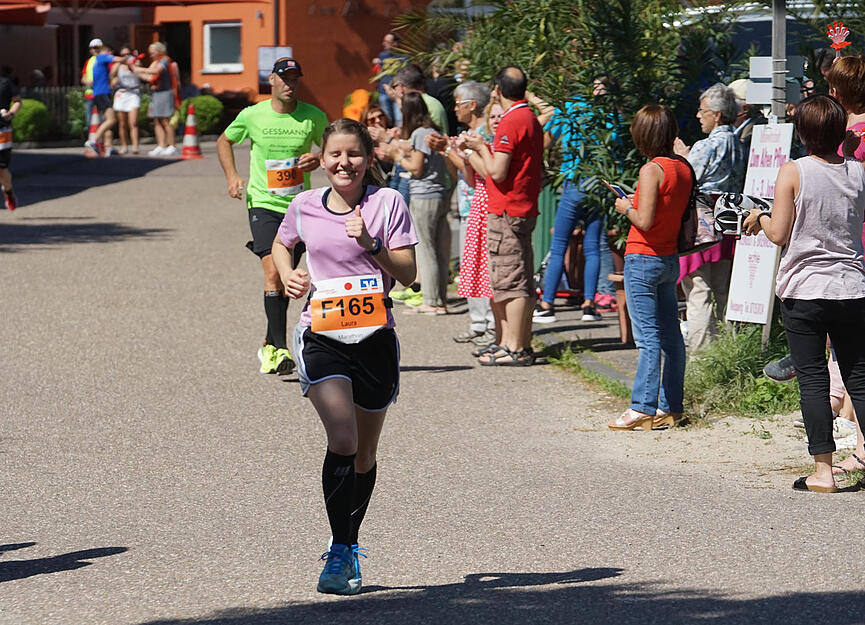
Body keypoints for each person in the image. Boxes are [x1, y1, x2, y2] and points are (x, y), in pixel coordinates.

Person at [271, 118, 417, 594]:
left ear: (368, 158)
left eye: (353, 154)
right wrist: (288, 271)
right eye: (335, 154)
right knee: (343, 436)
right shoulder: (305, 205)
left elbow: (410, 274)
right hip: (322, 336)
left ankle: (349, 544)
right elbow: (281, 242)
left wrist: (371, 244)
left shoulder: (387, 202)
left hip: (375, 339)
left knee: (365, 453)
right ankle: (339, 552)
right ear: (323, 159)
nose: (344, 163)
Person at [742, 94, 865, 493]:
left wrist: (759, 218)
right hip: (852, 287)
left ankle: (823, 473)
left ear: (803, 132)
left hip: (805, 291)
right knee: (859, 378)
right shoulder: (859, 172)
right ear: (841, 131)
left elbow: (779, 233)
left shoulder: (793, 171)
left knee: (812, 380)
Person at [217, 58, 327, 375]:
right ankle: (280, 350)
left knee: (285, 277)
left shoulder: (313, 116)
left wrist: (317, 158)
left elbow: (333, 146)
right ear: (272, 80)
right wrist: (232, 177)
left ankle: (268, 342)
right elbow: (224, 140)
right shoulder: (253, 115)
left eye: (295, 78)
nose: (290, 84)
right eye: (285, 78)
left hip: (299, 206)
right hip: (263, 203)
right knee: (272, 271)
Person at [608, 105, 689, 431]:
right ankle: (672, 406)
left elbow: (643, 220)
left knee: (647, 338)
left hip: (643, 257)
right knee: (671, 337)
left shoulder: (651, 170)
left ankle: (642, 406)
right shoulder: (681, 168)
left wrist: (625, 206)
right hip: (669, 259)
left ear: (643, 136)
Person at [459, 66, 543, 366]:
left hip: (508, 209)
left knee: (512, 279)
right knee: (509, 277)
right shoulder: (528, 117)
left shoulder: (512, 120)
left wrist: (479, 146)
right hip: (515, 206)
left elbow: (496, 171)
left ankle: (516, 347)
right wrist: (474, 153)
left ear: (497, 90)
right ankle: (510, 342)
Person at [532, 77, 616, 324]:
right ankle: (589, 305)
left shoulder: (570, 109)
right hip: (599, 182)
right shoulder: (609, 114)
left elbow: (544, 143)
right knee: (592, 248)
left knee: (559, 245)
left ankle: (547, 304)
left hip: (574, 180)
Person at [674, 83, 745, 354]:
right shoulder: (739, 144)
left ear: (716, 114)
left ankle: (702, 356)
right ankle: (725, 350)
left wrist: (683, 157)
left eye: (702, 110)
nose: (697, 115)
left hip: (702, 222)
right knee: (722, 289)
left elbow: (687, 178)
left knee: (699, 289)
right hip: (729, 219)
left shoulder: (707, 145)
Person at [381, 92, 452, 314]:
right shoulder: (432, 131)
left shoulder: (420, 133)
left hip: (424, 196)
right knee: (438, 251)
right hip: (439, 194)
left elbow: (416, 167)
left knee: (426, 251)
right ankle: (439, 300)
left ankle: (431, 301)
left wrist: (397, 157)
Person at [446, 81, 495, 344]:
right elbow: (466, 170)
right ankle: (478, 323)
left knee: (482, 267)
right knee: (471, 267)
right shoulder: (470, 132)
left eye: (458, 103)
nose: (454, 109)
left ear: (472, 105)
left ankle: (488, 324)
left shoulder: (485, 133)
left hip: (482, 205)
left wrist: (453, 152)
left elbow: (478, 173)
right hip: (468, 205)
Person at [134, 42, 178, 156]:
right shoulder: (155, 62)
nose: (151, 55)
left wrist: (138, 68)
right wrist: (135, 71)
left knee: (165, 120)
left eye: (152, 52)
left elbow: (156, 71)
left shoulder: (164, 60)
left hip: (165, 93)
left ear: (159, 51)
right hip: (156, 94)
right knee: (157, 120)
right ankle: (161, 145)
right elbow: (149, 77)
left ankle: (172, 146)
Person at [84, 43, 120, 157]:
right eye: (94, 48)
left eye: (97, 48)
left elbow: (111, 75)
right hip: (100, 93)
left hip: (100, 92)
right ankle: (93, 141)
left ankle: (107, 146)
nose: (95, 50)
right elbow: (85, 76)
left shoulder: (100, 61)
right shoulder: (102, 58)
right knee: (110, 120)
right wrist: (125, 59)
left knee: (108, 121)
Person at [111, 45, 142, 155]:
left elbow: (139, 71)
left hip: (133, 93)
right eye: (123, 55)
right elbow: (112, 74)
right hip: (122, 93)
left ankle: (135, 146)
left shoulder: (135, 63)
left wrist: (132, 63)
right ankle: (124, 145)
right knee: (122, 123)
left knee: (133, 122)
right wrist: (120, 62)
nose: (125, 56)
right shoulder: (118, 65)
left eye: (127, 54)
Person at [372, 32, 405, 127]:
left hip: (397, 92)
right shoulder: (382, 55)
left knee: (399, 119)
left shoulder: (404, 56)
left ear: (395, 43)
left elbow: (406, 73)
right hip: (383, 91)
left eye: (387, 41)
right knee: (386, 118)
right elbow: (380, 72)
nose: (384, 44)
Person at [0, 72, 21, 210]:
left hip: (2, 131)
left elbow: (17, 101)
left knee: (2, 169)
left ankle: (8, 191)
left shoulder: (5, 83)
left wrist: (10, 114)